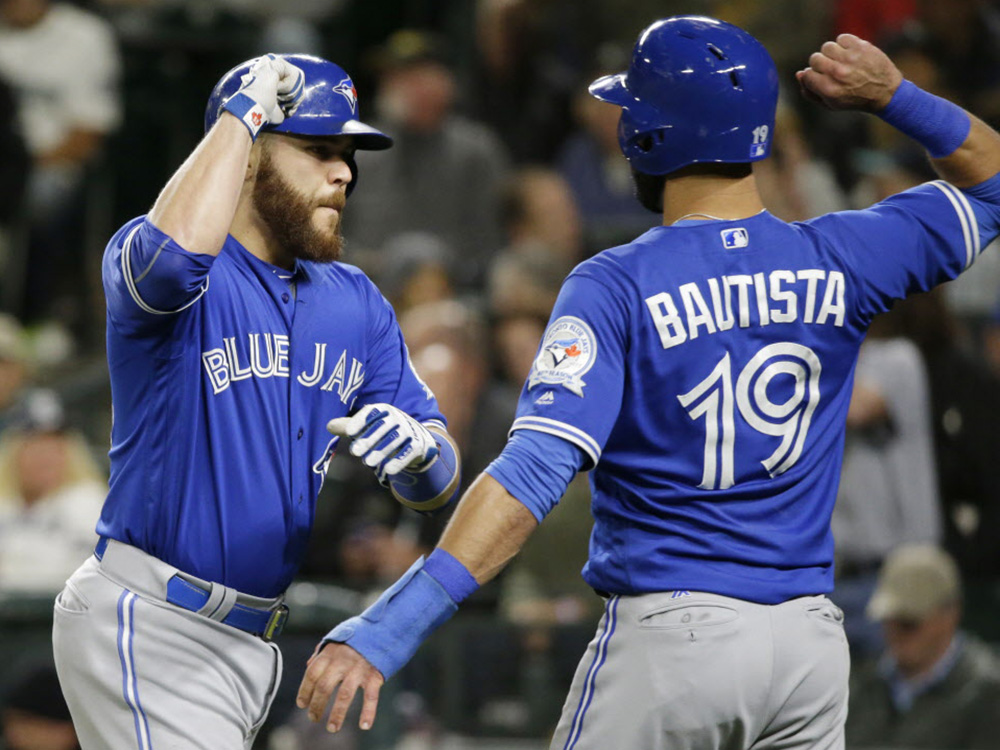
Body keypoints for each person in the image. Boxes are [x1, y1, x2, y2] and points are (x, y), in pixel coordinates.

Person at [298, 15, 1000, 749]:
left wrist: (391, 623)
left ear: (650, 133)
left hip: (675, 643)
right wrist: (894, 96)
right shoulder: (842, 255)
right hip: (808, 647)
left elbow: (532, 474)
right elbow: (992, 185)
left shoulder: (615, 285)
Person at [51, 53, 462, 750]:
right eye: (319, 150)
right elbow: (169, 265)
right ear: (245, 155)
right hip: (151, 620)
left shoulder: (354, 299)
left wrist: (420, 453)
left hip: (253, 643)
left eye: (348, 154)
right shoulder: (164, 257)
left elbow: (440, 482)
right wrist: (242, 116)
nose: (344, 173)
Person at [846, 544, 1000, 749]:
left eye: (909, 623)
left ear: (950, 615)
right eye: (889, 619)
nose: (896, 633)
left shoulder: (985, 691)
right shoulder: (863, 682)